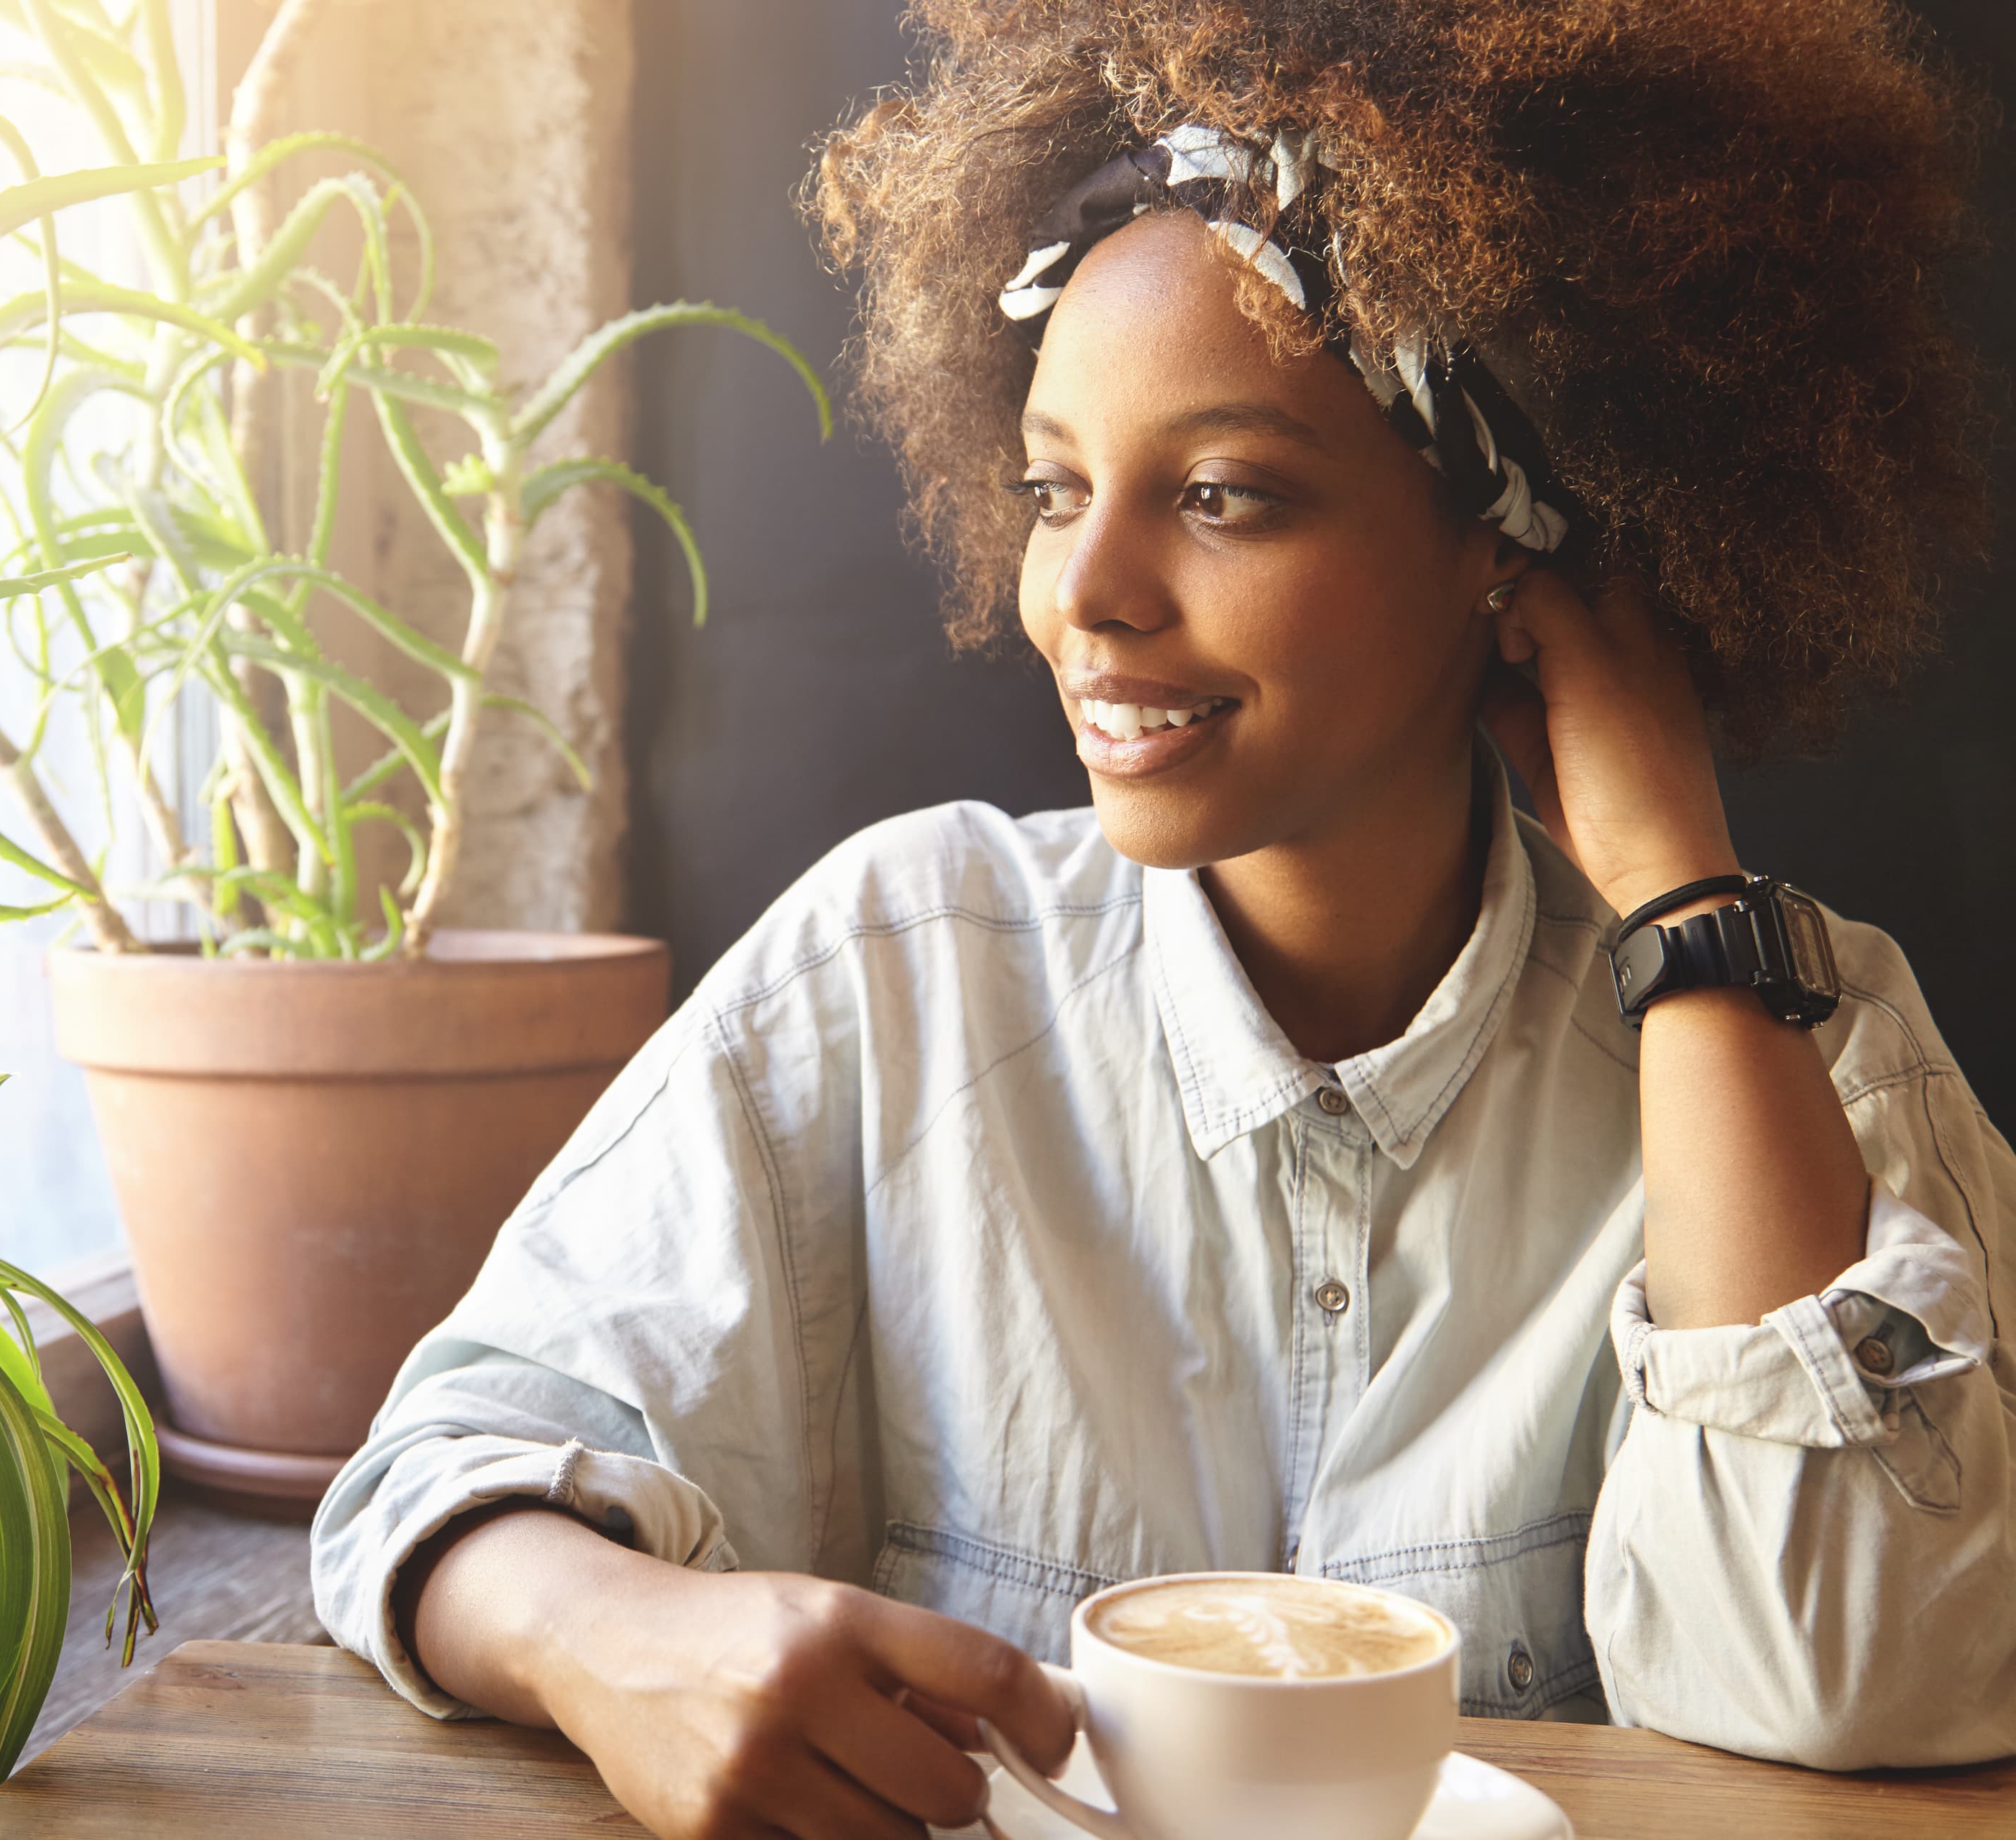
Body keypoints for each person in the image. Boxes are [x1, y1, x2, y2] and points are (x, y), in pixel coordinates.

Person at [312, 2, 2015, 1834]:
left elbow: (1869, 1676)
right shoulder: (899, 971)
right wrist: (611, 1634)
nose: (1088, 593)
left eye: (1221, 494)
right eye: (1055, 489)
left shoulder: (1798, 1034)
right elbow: (434, 1479)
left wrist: (1680, 888)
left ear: (1502, 546)